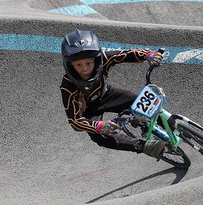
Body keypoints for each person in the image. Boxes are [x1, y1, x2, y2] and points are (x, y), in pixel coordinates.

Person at [60, 28, 166, 159]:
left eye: (88, 63)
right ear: (70, 65)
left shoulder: (104, 59)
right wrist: (98, 126)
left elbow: (128, 54)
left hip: (108, 95)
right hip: (90, 111)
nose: (85, 69)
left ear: (96, 59)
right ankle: (144, 146)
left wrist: (148, 55)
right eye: (79, 65)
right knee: (101, 137)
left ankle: (170, 124)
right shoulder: (67, 85)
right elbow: (74, 121)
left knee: (139, 100)